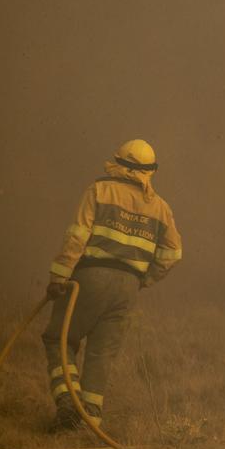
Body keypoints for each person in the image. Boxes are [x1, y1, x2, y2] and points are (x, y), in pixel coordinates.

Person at [42, 139, 183, 431]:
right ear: (150, 171)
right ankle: (89, 421)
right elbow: (173, 254)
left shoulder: (100, 190)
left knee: (59, 339)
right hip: (128, 288)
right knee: (102, 353)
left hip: (89, 279)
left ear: (119, 162)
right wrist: (144, 279)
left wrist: (59, 277)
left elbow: (77, 237)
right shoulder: (160, 207)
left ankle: (68, 404)